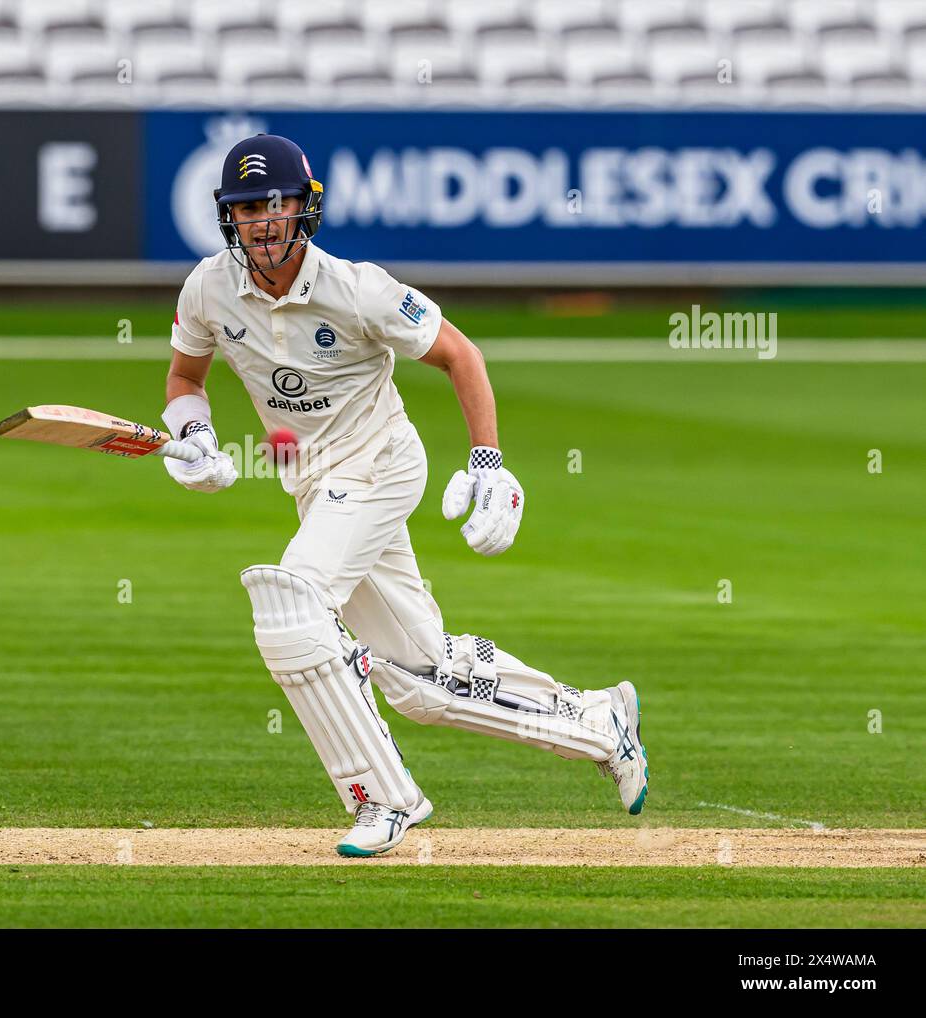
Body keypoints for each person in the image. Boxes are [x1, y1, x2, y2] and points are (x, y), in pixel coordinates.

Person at [161, 134, 648, 857]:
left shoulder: (357, 288)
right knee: (422, 680)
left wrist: (489, 463)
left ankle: (384, 800)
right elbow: (185, 381)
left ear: (305, 207)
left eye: (276, 204)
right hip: (317, 485)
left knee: (291, 604)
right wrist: (194, 436)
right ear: (227, 217)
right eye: (246, 209)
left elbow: (460, 354)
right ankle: (599, 721)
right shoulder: (207, 288)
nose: (263, 222)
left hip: (381, 463)